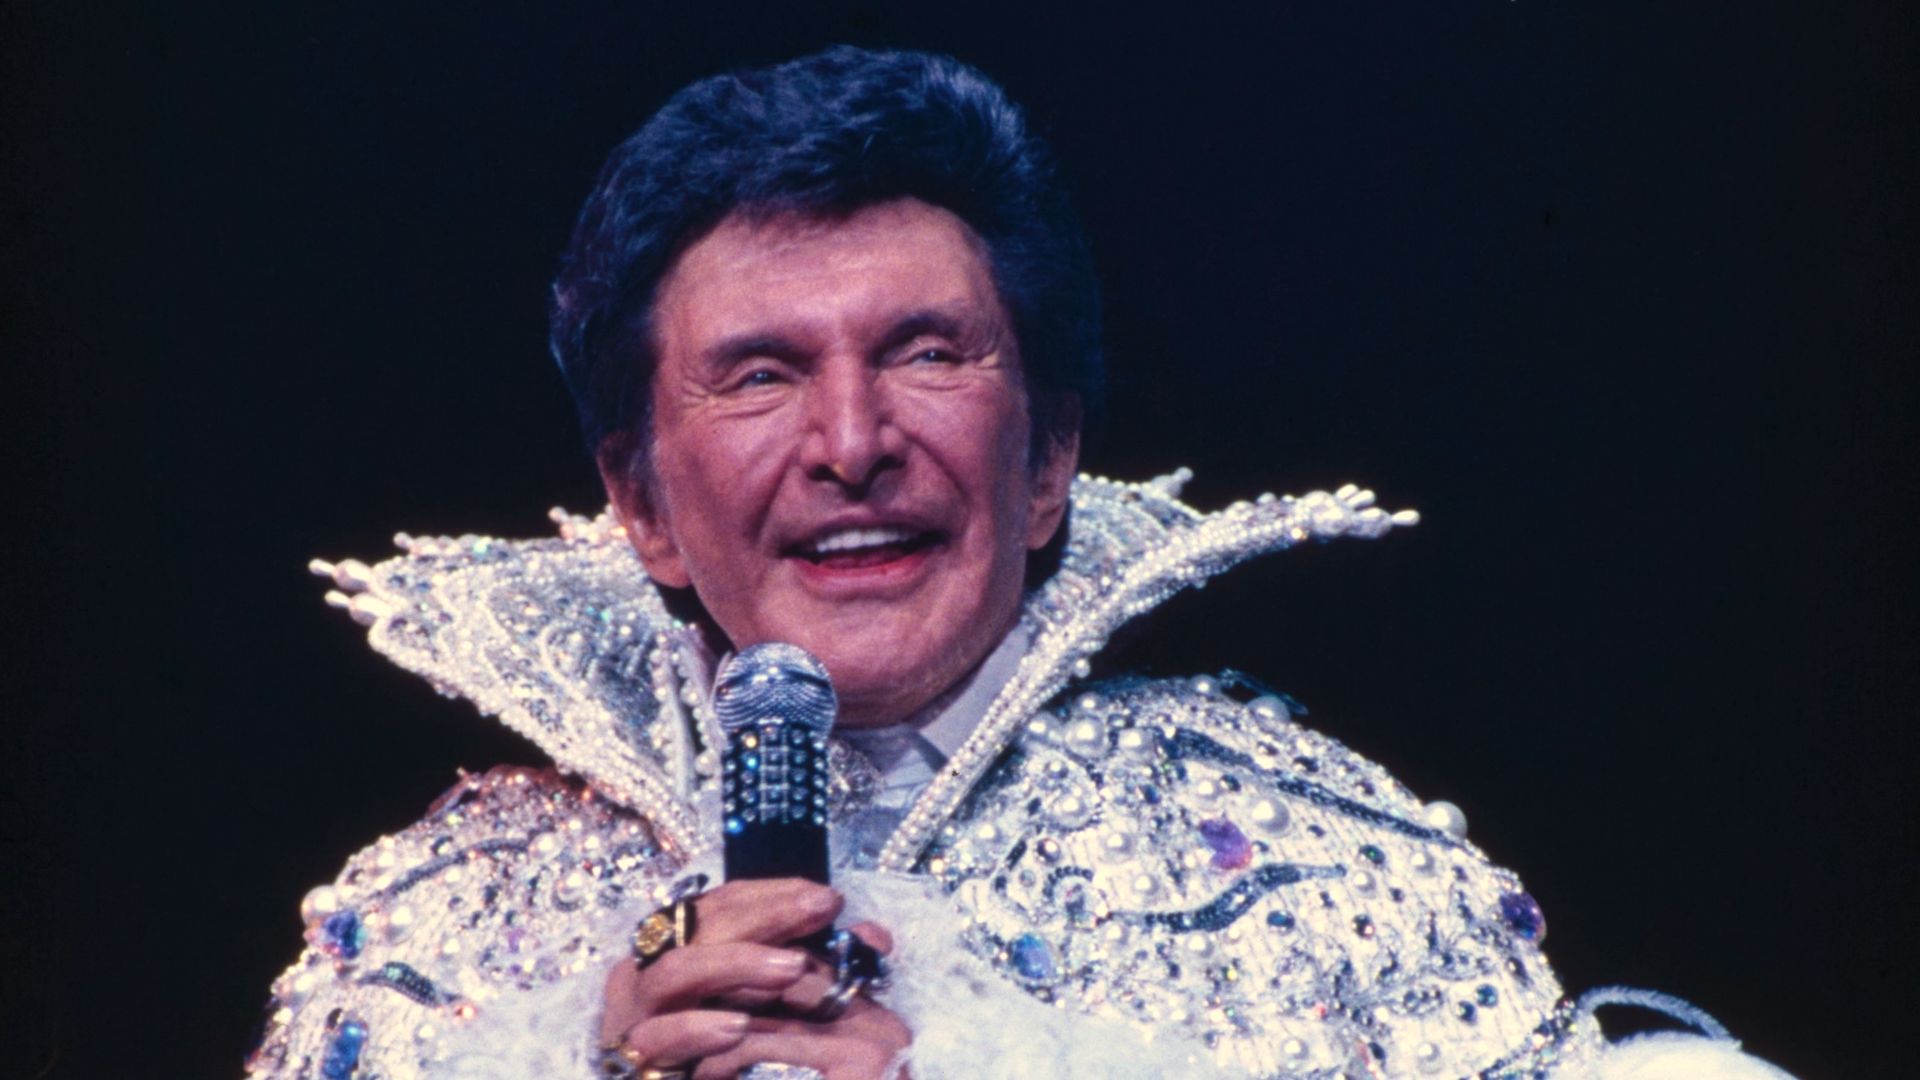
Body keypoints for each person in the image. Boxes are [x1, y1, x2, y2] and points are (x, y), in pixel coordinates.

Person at [251, 47, 1793, 1079]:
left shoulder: (1316, 866)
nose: (852, 440)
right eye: (762, 374)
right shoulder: (435, 927)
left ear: (1050, 455)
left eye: (927, 352)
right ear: (640, 500)